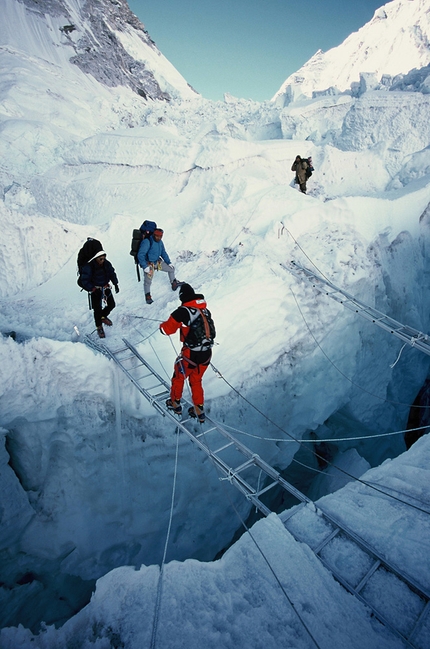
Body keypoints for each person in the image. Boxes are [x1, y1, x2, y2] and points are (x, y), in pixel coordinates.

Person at [159, 283, 215, 423]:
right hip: (206, 353)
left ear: (182, 297)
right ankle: (199, 409)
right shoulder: (205, 310)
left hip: (191, 354)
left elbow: (167, 330)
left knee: (178, 377)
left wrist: (161, 327)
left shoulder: (183, 311)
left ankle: (175, 403)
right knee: (196, 380)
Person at [79, 250, 119, 338]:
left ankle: (103, 316)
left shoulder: (106, 264)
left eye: (104, 258)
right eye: (100, 259)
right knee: (97, 309)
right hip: (95, 289)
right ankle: (99, 326)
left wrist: (115, 283)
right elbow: (84, 280)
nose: (103, 260)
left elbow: (112, 273)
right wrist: (92, 288)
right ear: (95, 258)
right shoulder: (89, 266)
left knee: (111, 304)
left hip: (105, 287)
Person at [137, 227, 182, 304]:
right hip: (148, 264)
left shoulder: (160, 242)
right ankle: (148, 295)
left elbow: (163, 253)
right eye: (157, 236)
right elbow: (140, 255)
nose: (159, 238)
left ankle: (173, 283)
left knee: (171, 269)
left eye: (160, 236)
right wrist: (145, 267)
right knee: (148, 281)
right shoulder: (147, 242)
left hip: (157, 262)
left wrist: (168, 262)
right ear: (154, 235)